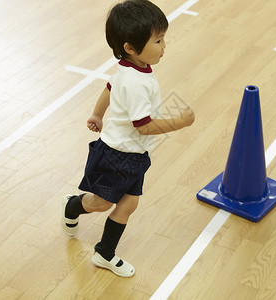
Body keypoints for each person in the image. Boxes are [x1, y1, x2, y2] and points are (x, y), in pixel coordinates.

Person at [62, 0, 195, 277]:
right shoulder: (135, 81)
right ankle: (74, 205)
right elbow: (143, 126)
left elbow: (110, 87)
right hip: (116, 155)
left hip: (134, 155)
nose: (164, 46)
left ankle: (104, 253)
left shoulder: (132, 68)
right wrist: (179, 123)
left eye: (163, 38)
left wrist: (97, 115)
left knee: (129, 203)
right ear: (130, 48)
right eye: (158, 40)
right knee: (102, 204)